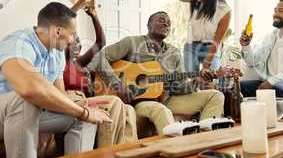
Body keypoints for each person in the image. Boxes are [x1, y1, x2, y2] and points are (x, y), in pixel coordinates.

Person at [0, 2, 112, 158]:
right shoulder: (19, 42)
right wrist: (83, 112)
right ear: (58, 31)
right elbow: (29, 90)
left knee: (88, 119)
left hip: (32, 114)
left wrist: (80, 107)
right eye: (72, 33)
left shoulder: (57, 53)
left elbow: (59, 94)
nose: (73, 39)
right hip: (5, 113)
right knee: (25, 100)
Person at [87, 11, 224, 135]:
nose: (166, 23)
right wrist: (117, 84)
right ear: (149, 25)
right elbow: (99, 57)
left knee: (216, 96)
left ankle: (205, 143)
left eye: (169, 23)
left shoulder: (174, 53)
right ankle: (175, 151)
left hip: (167, 99)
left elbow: (179, 88)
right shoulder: (132, 43)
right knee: (160, 110)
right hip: (138, 101)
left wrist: (197, 81)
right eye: (161, 20)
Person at [64, 0, 138, 147]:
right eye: (74, 40)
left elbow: (101, 42)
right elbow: (61, 22)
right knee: (115, 102)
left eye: (79, 41)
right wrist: (80, 2)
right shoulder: (61, 60)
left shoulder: (80, 62)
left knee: (129, 110)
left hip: (86, 100)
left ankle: (126, 151)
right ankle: (105, 153)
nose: (78, 44)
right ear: (65, 40)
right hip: (70, 100)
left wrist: (94, 16)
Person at [141, 0, 231, 71]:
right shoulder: (195, 1)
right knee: (191, 82)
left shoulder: (224, 11)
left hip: (211, 48)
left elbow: (217, 41)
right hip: (191, 48)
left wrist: (206, 65)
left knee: (211, 80)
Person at [240, 0, 283, 118]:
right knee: (237, 88)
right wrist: (246, 46)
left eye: (281, 11)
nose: (275, 14)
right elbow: (252, 63)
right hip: (268, 83)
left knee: (280, 89)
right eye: (275, 10)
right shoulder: (270, 37)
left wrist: (272, 81)